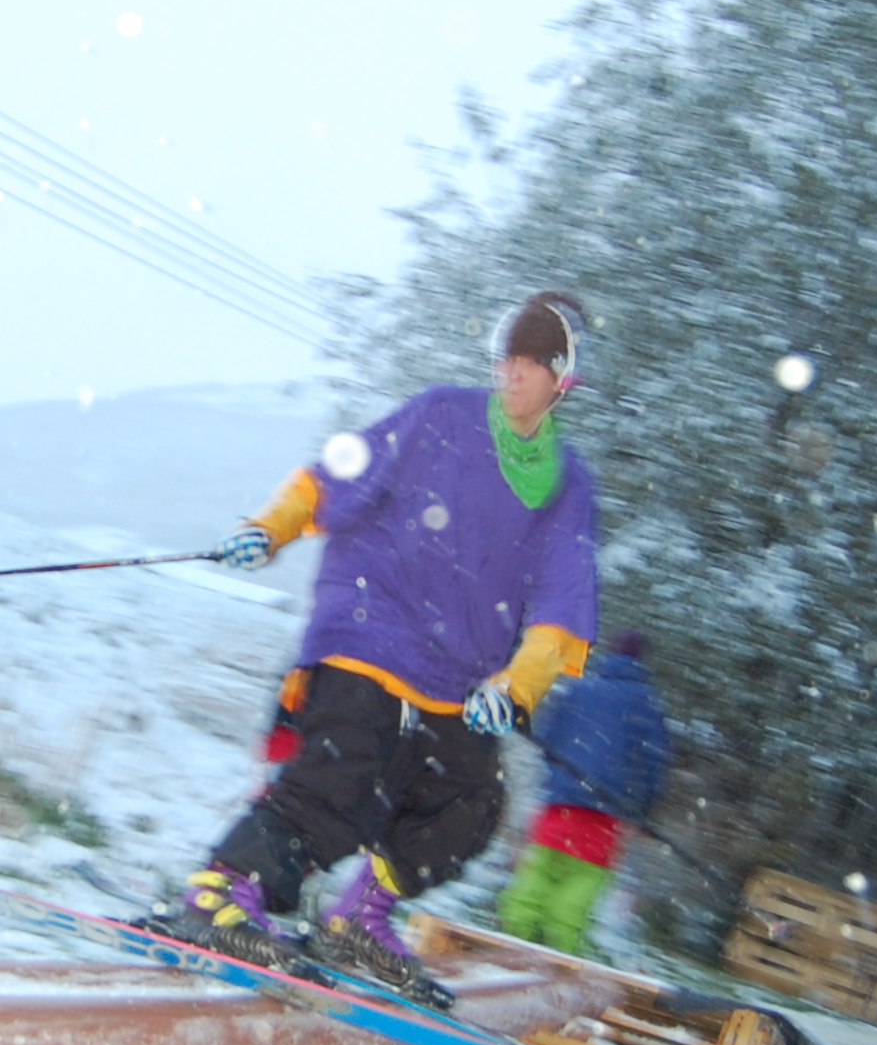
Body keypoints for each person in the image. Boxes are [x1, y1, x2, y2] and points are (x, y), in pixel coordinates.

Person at [163, 293, 599, 1006]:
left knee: (472, 804)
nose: (513, 373)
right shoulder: (440, 416)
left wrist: (514, 689)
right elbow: (331, 477)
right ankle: (218, 890)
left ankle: (357, 919)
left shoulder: (569, 486)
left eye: (533, 363)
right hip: (371, 626)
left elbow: (561, 612)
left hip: (456, 675)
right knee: (343, 781)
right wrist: (270, 526)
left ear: (564, 380)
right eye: (507, 357)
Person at [498, 631, 673, 957]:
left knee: (538, 873)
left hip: (558, 807)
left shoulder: (579, 689)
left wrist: (561, 779)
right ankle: (561, 950)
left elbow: (548, 738)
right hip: (605, 817)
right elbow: (653, 762)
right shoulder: (647, 704)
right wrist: (643, 811)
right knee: (578, 887)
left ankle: (514, 934)